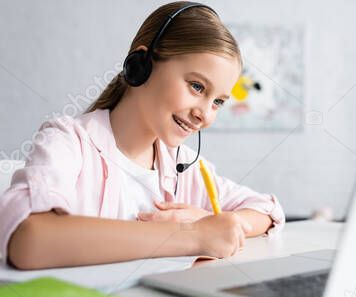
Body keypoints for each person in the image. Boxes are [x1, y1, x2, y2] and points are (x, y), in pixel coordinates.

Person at [0, 2, 284, 270]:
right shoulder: (67, 141)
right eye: (197, 86)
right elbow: (28, 241)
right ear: (142, 65)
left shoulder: (185, 166)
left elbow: (268, 210)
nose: (205, 115)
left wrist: (223, 223)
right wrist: (192, 235)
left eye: (218, 102)